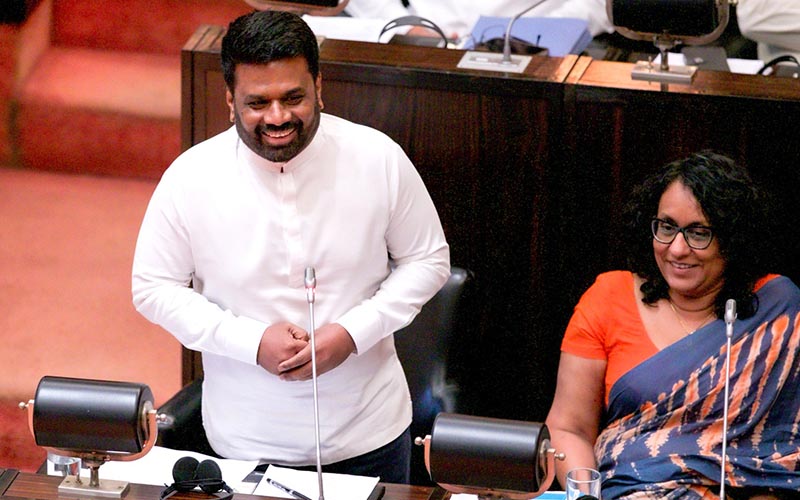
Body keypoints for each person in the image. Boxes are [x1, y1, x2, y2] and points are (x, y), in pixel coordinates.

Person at [131, 9, 450, 483]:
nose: (277, 118)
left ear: (318, 87)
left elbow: (428, 260)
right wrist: (251, 342)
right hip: (243, 441)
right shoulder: (190, 176)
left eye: (293, 98)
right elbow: (153, 287)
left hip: (371, 435)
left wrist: (353, 333)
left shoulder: (377, 157)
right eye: (257, 103)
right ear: (230, 100)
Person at [545, 151, 800, 499]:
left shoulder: (779, 309)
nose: (677, 249)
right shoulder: (608, 296)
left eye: (698, 233)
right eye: (666, 227)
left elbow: (783, 451)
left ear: (733, 238)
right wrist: (588, 495)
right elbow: (568, 428)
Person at [343, 0, 613, 40]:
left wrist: (536, 32)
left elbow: (601, 3)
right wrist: (405, 26)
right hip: (425, 44)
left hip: (543, 48)